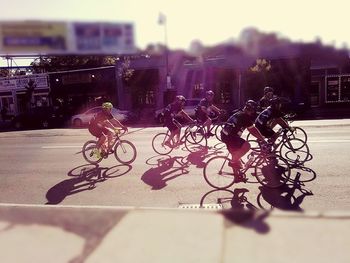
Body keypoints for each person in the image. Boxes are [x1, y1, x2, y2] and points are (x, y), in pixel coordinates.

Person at [221, 100, 266, 169]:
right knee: (247, 146)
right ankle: (232, 162)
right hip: (229, 137)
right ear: (252, 110)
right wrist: (262, 139)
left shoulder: (240, 113)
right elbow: (253, 130)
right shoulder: (245, 117)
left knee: (236, 156)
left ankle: (237, 177)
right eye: (253, 110)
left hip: (225, 135)